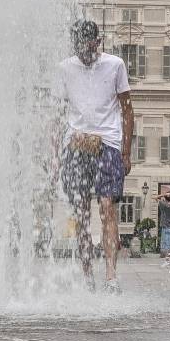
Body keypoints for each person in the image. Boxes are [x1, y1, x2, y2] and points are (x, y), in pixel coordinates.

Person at [55, 19, 134, 294]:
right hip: (76, 146)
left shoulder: (115, 65)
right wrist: (57, 154)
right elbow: (58, 114)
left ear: (97, 43)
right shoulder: (65, 68)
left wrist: (126, 153)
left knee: (107, 207)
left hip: (108, 143)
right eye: (78, 48)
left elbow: (127, 111)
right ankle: (88, 276)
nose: (83, 53)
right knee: (81, 213)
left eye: (88, 47)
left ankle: (111, 276)